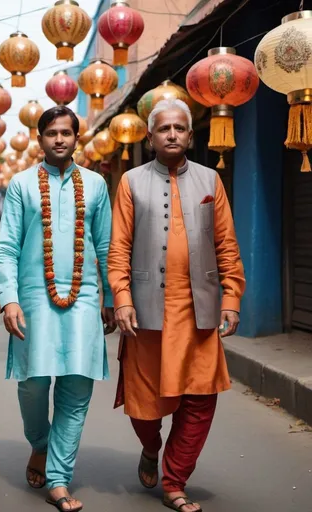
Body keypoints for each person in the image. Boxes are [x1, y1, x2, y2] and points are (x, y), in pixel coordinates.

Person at [108, 99, 245, 512]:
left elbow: (226, 244)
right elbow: (119, 250)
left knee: (201, 399)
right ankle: (151, 447)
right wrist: (122, 299)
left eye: (179, 128)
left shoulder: (210, 181)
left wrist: (232, 298)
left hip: (198, 309)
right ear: (150, 138)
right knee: (144, 405)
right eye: (163, 128)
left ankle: (175, 480)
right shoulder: (131, 181)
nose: (172, 134)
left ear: (190, 135)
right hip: (147, 312)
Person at [0, 106, 116, 512]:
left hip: (82, 297)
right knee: (32, 382)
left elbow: (105, 246)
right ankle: (41, 444)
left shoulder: (96, 185)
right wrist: (8, 299)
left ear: (76, 138)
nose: (59, 139)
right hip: (32, 298)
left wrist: (113, 299)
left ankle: (58, 478)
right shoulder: (22, 185)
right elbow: (7, 246)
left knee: (77, 387)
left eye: (66, 132)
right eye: (51, 132)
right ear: (40, 138)